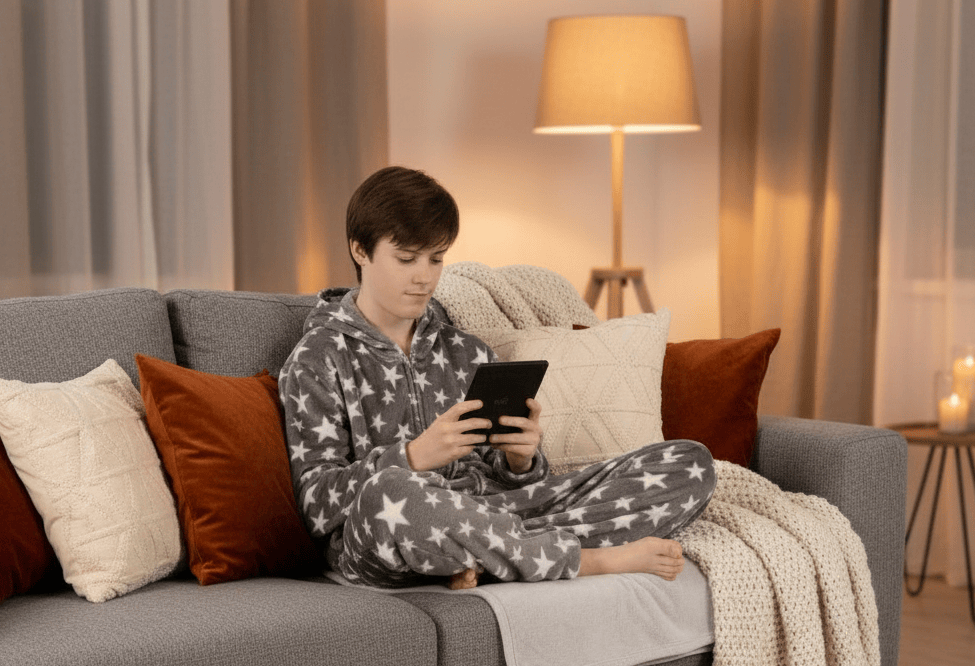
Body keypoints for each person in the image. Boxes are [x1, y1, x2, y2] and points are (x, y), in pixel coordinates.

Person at [279, 166, 716, 589]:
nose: (424, 277)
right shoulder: (318, 358)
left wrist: (520, 461)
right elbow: (316, 504)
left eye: (436, 258)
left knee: (690, 463)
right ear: (360, 250)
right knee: (390, 494)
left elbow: (516, 485)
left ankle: (483, 558)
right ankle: (585, 559)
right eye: (406, 259)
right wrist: (413, 456)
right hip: (389, 531)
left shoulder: (466, 350)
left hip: (494, 512)